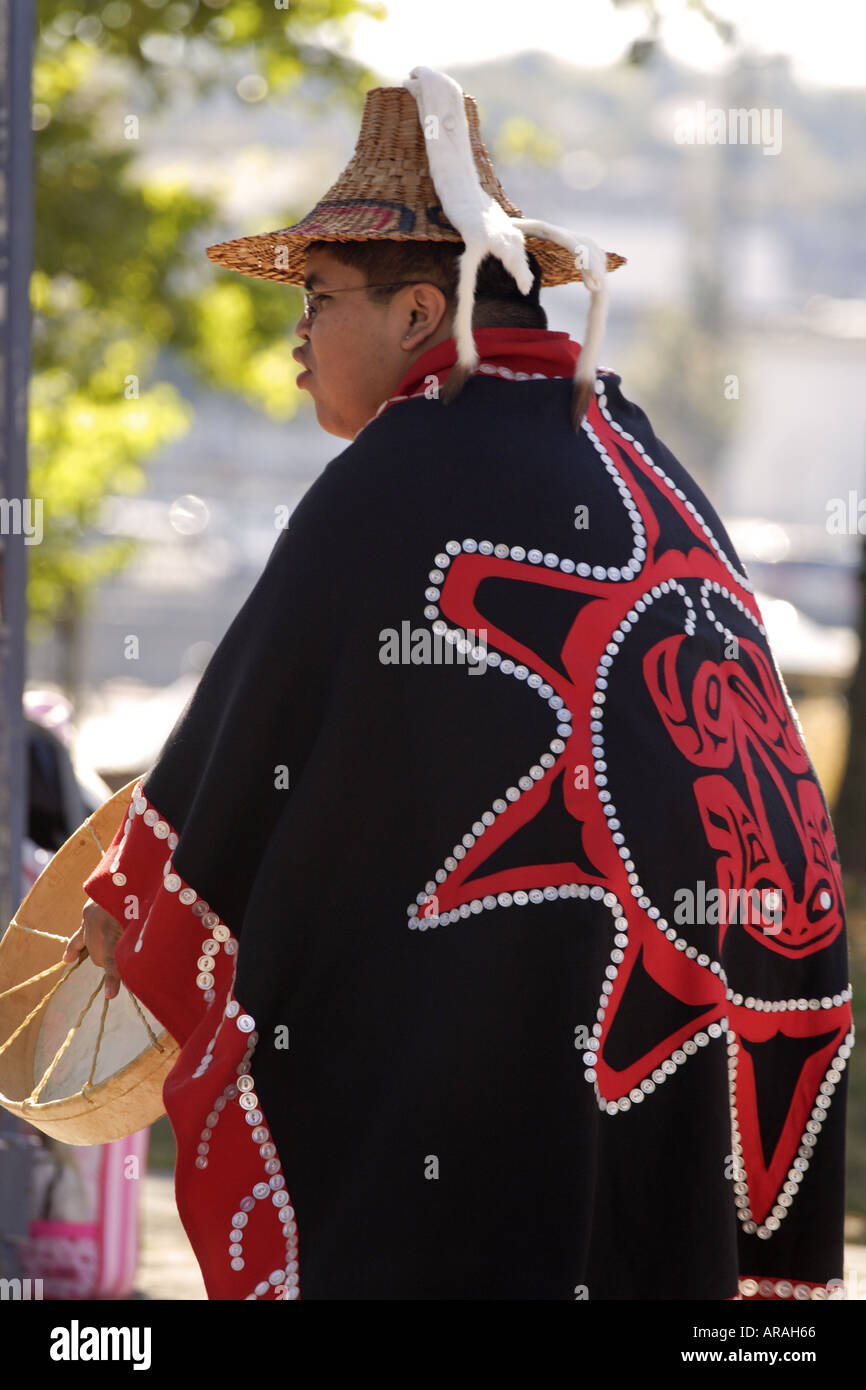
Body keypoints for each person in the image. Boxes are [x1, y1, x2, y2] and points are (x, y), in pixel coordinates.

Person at [67, 67, 853, 1302]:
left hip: (513, 1034)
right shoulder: (639, 456)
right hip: (708, 1001)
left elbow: (244, 742)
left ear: (420, 311)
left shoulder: (401, 476)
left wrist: (135, 903)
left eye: (317, 301)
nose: (293, 347)